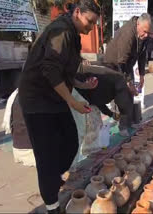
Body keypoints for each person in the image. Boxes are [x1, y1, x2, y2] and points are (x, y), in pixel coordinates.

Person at [18, 1, 100, 213]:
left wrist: (81, 84)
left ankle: (53, 179)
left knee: (71, 142)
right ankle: (52, 205)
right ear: (78, 13)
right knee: (46, 156)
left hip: (54, 97)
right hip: (36, 99)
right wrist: (72, 101)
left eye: (94, 24)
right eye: (89, 22)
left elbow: (65, 71)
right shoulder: (61, 30)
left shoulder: (72, 34)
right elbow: (51, 70)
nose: (91, 27)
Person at [104, 13, 151, 136]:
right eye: (144, 31)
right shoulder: (128, 33)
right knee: (123, 93)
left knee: (130, 94)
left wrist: (141, 75)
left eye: (148, 32)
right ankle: (122, 126)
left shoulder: (143, 36)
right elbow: (121, 61)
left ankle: (129, 121)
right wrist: (128, 82)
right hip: (114, 63)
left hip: (126, 64)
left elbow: (142, 56)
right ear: (138, 24)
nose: (146, 35)